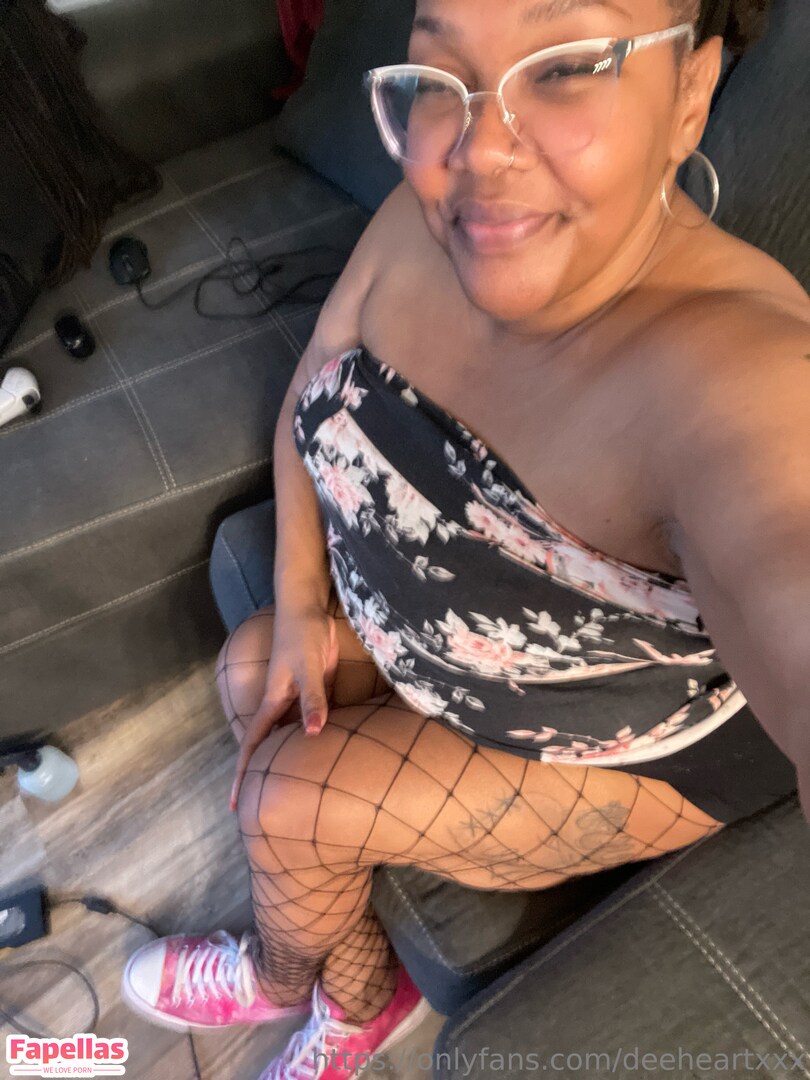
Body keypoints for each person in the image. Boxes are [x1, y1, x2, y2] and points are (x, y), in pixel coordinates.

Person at [121, 0, 809, 1076]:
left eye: (565, 66)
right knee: (254, 666)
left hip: (630, 745)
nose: (480, 147)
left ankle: (289, 980)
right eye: (441, 77)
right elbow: (315, 385)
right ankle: (361, 985)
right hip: (459, 642)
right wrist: (298, 598)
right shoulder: (425, 217)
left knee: (286, 800)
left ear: (690, 94)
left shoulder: (733, 378)